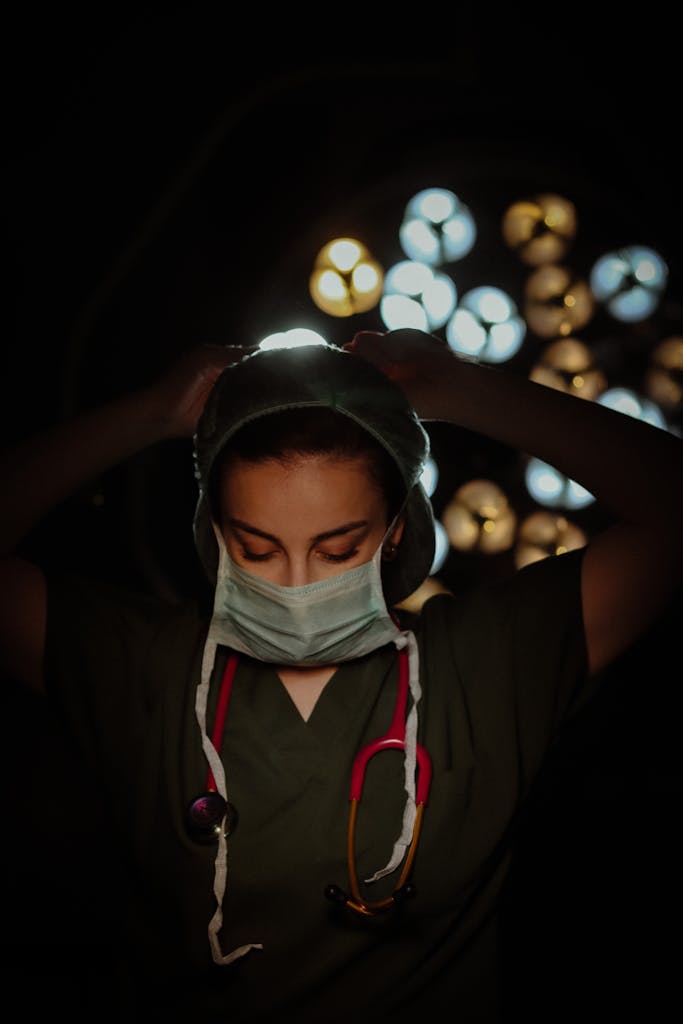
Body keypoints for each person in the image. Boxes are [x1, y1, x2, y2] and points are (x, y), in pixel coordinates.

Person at [1, 327, 681, 1023]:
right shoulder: (143, 670)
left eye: (338, 549)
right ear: (214, 531)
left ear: (394, 530)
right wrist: (149, 414)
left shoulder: (489, 663)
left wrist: (471, 389)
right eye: (258, 549)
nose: (296, 586)